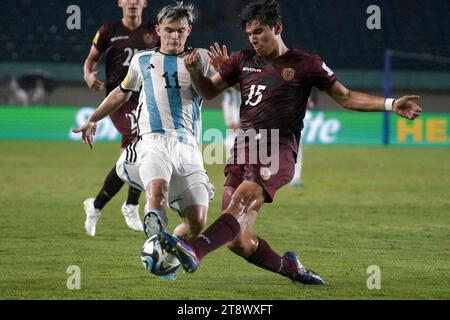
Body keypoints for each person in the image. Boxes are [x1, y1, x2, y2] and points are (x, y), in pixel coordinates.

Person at [157, 0, 422, 285]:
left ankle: (193, 251)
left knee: (241, 203)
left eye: (259, 31)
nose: (254, 39)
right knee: (238, 241)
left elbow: (345, 97)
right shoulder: (242, 60)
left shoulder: (306, 64)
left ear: (278, 27)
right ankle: (290, 267)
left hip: (277, 148)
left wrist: (391, 103)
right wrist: (197, 72)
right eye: (250, 34)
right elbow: (208, 91)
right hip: (243, 148)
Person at [74, 2, 215, 266]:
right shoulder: (143, 60)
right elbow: (121, 92)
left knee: (197, 222)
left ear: (189, 31)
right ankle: (147, 223)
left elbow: (213, 91)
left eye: (181, 31)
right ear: (159, 29)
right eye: (170, 30)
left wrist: (216, 71)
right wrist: (93, 118)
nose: (175, 36)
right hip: (153, 140)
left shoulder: (201, 58)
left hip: (188, 146)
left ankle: (168, 250)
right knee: (157, 189)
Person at [82, 0, 159, 236]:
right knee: (137, 145)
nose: (133, 3)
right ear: (120, 3)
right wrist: (87, 74)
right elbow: (90, 60)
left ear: (144, 3)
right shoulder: (108, 31)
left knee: (137, 153)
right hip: (119, 99)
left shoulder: (153, 30)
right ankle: (131, 205)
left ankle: (96, 207)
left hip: (147, 99)